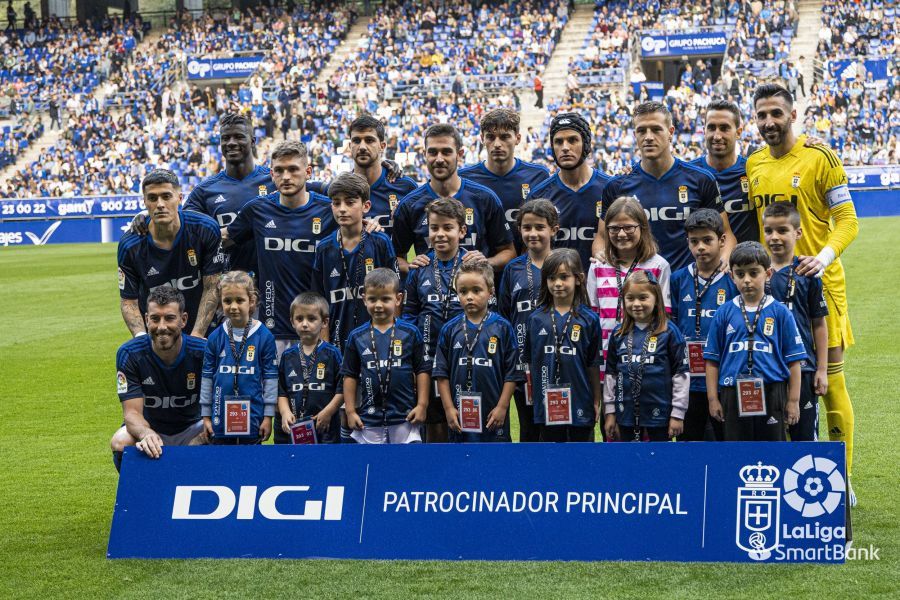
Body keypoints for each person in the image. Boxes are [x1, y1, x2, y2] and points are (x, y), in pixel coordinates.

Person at [747, 83, 859, 501]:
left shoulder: (820, 157)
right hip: (772, 290)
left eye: (776, 113)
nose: (769, 122)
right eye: (761, 115)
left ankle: (841, 474)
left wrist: (824, 257)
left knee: (828, 383)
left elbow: (848, 219)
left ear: (793, 115)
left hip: (821, 287)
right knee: (780, 380)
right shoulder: (754, 162)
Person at [595, 101, 736, 272]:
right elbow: (601, 238)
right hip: (640, 289)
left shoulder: (701, 179)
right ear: (635, 135)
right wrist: (600, 254)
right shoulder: (617, 185)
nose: (648, 137)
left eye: (656, 129)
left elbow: (726, 233)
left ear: (670, 133)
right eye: (641, 131)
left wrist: (725, 260)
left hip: (688, 286)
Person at [225, 141, 334, 357]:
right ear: (271, 174)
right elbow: (223, 237)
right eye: (279, 171)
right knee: (273, 391)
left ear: (308, 171)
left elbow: (358, 227)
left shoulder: (328, 210)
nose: (286, 177)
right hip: (272, 330)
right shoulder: (258, 209)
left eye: (293, 169)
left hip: (317, 328)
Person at [704, 242, 807, 442]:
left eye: (753, 273)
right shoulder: (723, 313)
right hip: (732, 391)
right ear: (732, 276)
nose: (747, 280)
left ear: (768, 274)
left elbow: (794, 361)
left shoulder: (780, 312)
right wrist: (713, 399)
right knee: (736, 451)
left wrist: (793, 401)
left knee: (771, 451)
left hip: (771, 389)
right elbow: (712, 361)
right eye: (740, 274)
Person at [392, 123, 515, 274]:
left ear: (459, 154)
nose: (439, 159)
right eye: (433, 152)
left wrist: (485, 262)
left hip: (476, 294)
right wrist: (412, 268)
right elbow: (397, 258)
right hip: (429, 295)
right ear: (425, 154)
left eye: (446, 152)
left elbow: (508, 252)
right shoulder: (410, 204)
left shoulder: (484, 198)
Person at [110, 286, 207, 471]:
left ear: (183, 320)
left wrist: (200, 439)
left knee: (221, 433)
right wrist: (146, 433)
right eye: (155, 319)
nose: (162, 327)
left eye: (169, 318)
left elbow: (217, 411)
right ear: (146, 320)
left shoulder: (203, 352)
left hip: (192, 427)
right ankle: (143, 494)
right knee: (120, 442)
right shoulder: (129, 353)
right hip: (151, 428)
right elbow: (131, 414)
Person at [118, 169, 223, 338]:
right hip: (158, 337)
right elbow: (128, 301)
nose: (160, 204)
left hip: (203, 331)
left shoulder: (205, 229)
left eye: (166, 196)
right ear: (144, 201)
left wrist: (197, 336)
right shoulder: (130, 245)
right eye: (152, 198)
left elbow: (212, 287)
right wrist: (141, 338)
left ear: (179, 198)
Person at [401, 197, 469, 443]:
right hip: (428, 360)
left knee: (468, 420)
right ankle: (437, 478)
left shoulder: (472, 266)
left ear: (461, 230)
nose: (440, 234)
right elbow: (409, 315)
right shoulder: (420, 268)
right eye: (434, 228)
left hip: (466, 358)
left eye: (447, 228)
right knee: (435, 422)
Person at [434, 260, 522, 443]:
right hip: (460, 415)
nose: (469, 297)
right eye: (463, 291)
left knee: (495, 463)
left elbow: (512, 374)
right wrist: (449, 409)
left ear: (490, 291)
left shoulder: (503, 328)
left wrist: (503, 407)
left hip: (493, 415)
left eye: (476, 290)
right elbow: (441, 374)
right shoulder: (449, 329)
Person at [669, 209, 738, 441]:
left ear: (721, 240)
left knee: (724, 440)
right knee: (690, 443)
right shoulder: (678, 279)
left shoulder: (732, 279)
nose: (700, 247)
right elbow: (674, 324)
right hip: (688, 379)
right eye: (694, 241)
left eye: (707, 240)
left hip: (724, 377)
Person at [763, 202, 829, 442]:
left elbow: (819, 324)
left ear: (797, 232)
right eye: (769, 231)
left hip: (804, 368)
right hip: (766, 367)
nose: (775, 237)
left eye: (782, 230)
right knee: (770, 438)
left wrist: (822, 369)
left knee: (804, 438)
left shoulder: (807, 272)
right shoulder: (756, 272)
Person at [311, 172, 398, 350]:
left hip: (377, 341)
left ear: (366, 206)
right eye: (336, 203)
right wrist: (325, 345)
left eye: (350, 202)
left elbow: (396, 294)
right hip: (337, 343)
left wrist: (393, 338)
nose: (342, 208)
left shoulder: (380, 242)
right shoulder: (324, 248)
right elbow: (320, 304)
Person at [341, 269, 430, 444]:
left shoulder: (410, 333)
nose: (378, 305)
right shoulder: (356, 336)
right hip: (369, 419)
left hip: (405, 417)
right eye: (372, 299)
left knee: (407, 466)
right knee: (372, 466)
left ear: (398, 299)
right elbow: (349, 375)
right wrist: (351, 411)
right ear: (364, 298)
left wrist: (422, 405)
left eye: (385, 299)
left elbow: (422, 370)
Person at [183, 113, 277, 275]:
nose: (231, 143)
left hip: (273, 282)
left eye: (239, 137)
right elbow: (185, 233)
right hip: (227, 288)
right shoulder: (204, 191)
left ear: (253, 141)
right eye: (225, 138)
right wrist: (143, 217)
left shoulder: (274, 180)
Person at [524, 249, 602, 442]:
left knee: (582, 458)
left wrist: (596, 399)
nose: (557, 283)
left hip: (580, 399)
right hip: (547, 403)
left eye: (564, 277)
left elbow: (593, 364)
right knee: (550, 460)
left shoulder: (589, 319)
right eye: (551, 278)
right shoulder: (535, 319)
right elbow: (530, 364)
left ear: (578, 279)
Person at [498, 199, 559, 442]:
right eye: (526, 227)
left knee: (556, 428)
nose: (532, 233)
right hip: (523, 366)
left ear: (554, 229)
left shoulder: (566, 263)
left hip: (558, 361)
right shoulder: (513, 270)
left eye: (539, 227)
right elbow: (504, 315)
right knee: (528, 428)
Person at [604, 271, 688, 442]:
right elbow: (610, 375)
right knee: (628, 461)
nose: (636, 304)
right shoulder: (618, 334)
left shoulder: (669, 332)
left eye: (643, 298)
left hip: (660, 414)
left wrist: (677, 414)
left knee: (659, 461)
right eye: (630, 298)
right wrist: (610, 412)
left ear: (656, 299)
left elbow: (681, 375)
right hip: (625, 413)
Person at [587, 196, 671, 363]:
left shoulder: (659, 265)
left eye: (629, 227)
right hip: (604, 355)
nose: (621, 234)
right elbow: (592, 315)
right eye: (614, 228)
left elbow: (663, 316)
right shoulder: (597, 266)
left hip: (646, 357)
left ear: (642, 228)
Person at [307, 115, 417, 239]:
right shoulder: (337, 191)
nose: (362, 147)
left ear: (382, 146)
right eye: (356, 141)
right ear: (350, 146)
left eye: (369, 140)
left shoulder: (405, 187)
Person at [200, 271, 277, 445]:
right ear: (221, 302)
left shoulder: (264, 336)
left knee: (250, 464)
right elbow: (206, 378)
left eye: (239, 300)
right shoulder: (215, 337)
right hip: (220, 415)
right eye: (227, 301)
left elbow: (270, 379)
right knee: (221, 463)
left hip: (253, 416)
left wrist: (268, 416)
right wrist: (206, 416)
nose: (233, 306)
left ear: (252, 301)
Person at [528, 112, 611, 270]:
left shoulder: (610, 188)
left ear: (586, 144)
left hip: (601, 288)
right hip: (557, 288)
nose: (565, 147)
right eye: (558, 142)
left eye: (572, 140)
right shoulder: (539, 195)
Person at [458, 109, 550, 251]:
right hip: (479, 269)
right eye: (490, 137)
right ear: (482, 138)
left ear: (518, 138)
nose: (497, 144)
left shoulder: (538, 176)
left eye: (504, 137)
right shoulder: (464, 178)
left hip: (525, 268)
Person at [276, 292, 343, 444]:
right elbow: (281, 391)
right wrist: (285, 412)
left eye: (311, 319)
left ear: (324, 322)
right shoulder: (287, 356)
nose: (304, 324)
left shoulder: (333, 354)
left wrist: (328, 412)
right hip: (296, 428)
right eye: (299, 319)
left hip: (326, 428)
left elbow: (342, 389)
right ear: (292, 322)